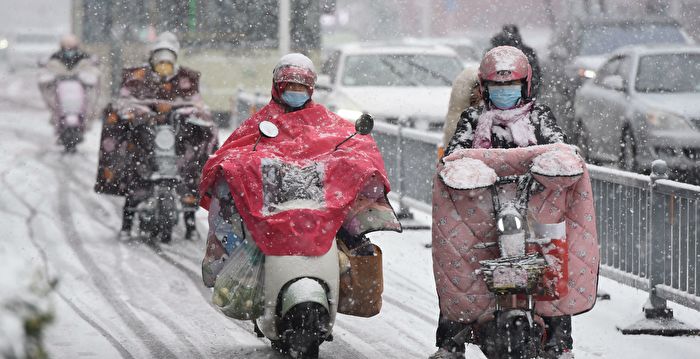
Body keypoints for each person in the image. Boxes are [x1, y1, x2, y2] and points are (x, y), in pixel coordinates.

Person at [430, 46, 571, 359]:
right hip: (481, 209)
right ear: (484, 87)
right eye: (497, 86)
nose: (504, 92)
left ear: (525, 86)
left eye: (511, 87)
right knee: (459, 262)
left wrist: (550, 168)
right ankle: (450, 342)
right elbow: (454, 159)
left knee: (552, 260)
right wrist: (471, 173)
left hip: (534, 209)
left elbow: (560, 152)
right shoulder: (472, 118)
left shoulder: (540, 117)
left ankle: (560, 342)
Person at [113, 31, 216, 241]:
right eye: (159, 60)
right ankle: (127, 224)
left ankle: (190, 224)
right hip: (145, 137)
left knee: (192, 166)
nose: (163, 65)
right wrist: (139, 114)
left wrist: (189, 115)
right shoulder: (136, 78)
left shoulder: (187, 79)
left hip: (177, 139)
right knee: (135, 167)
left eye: (168, 60)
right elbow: (123, 102)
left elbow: (198, 105)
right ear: (152, 58)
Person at [489, 24, 542, 98]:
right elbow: (535, 76)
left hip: (495, 96)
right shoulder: (528, 52)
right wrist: (529, 95)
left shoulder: (492, 52)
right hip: (522, 95)